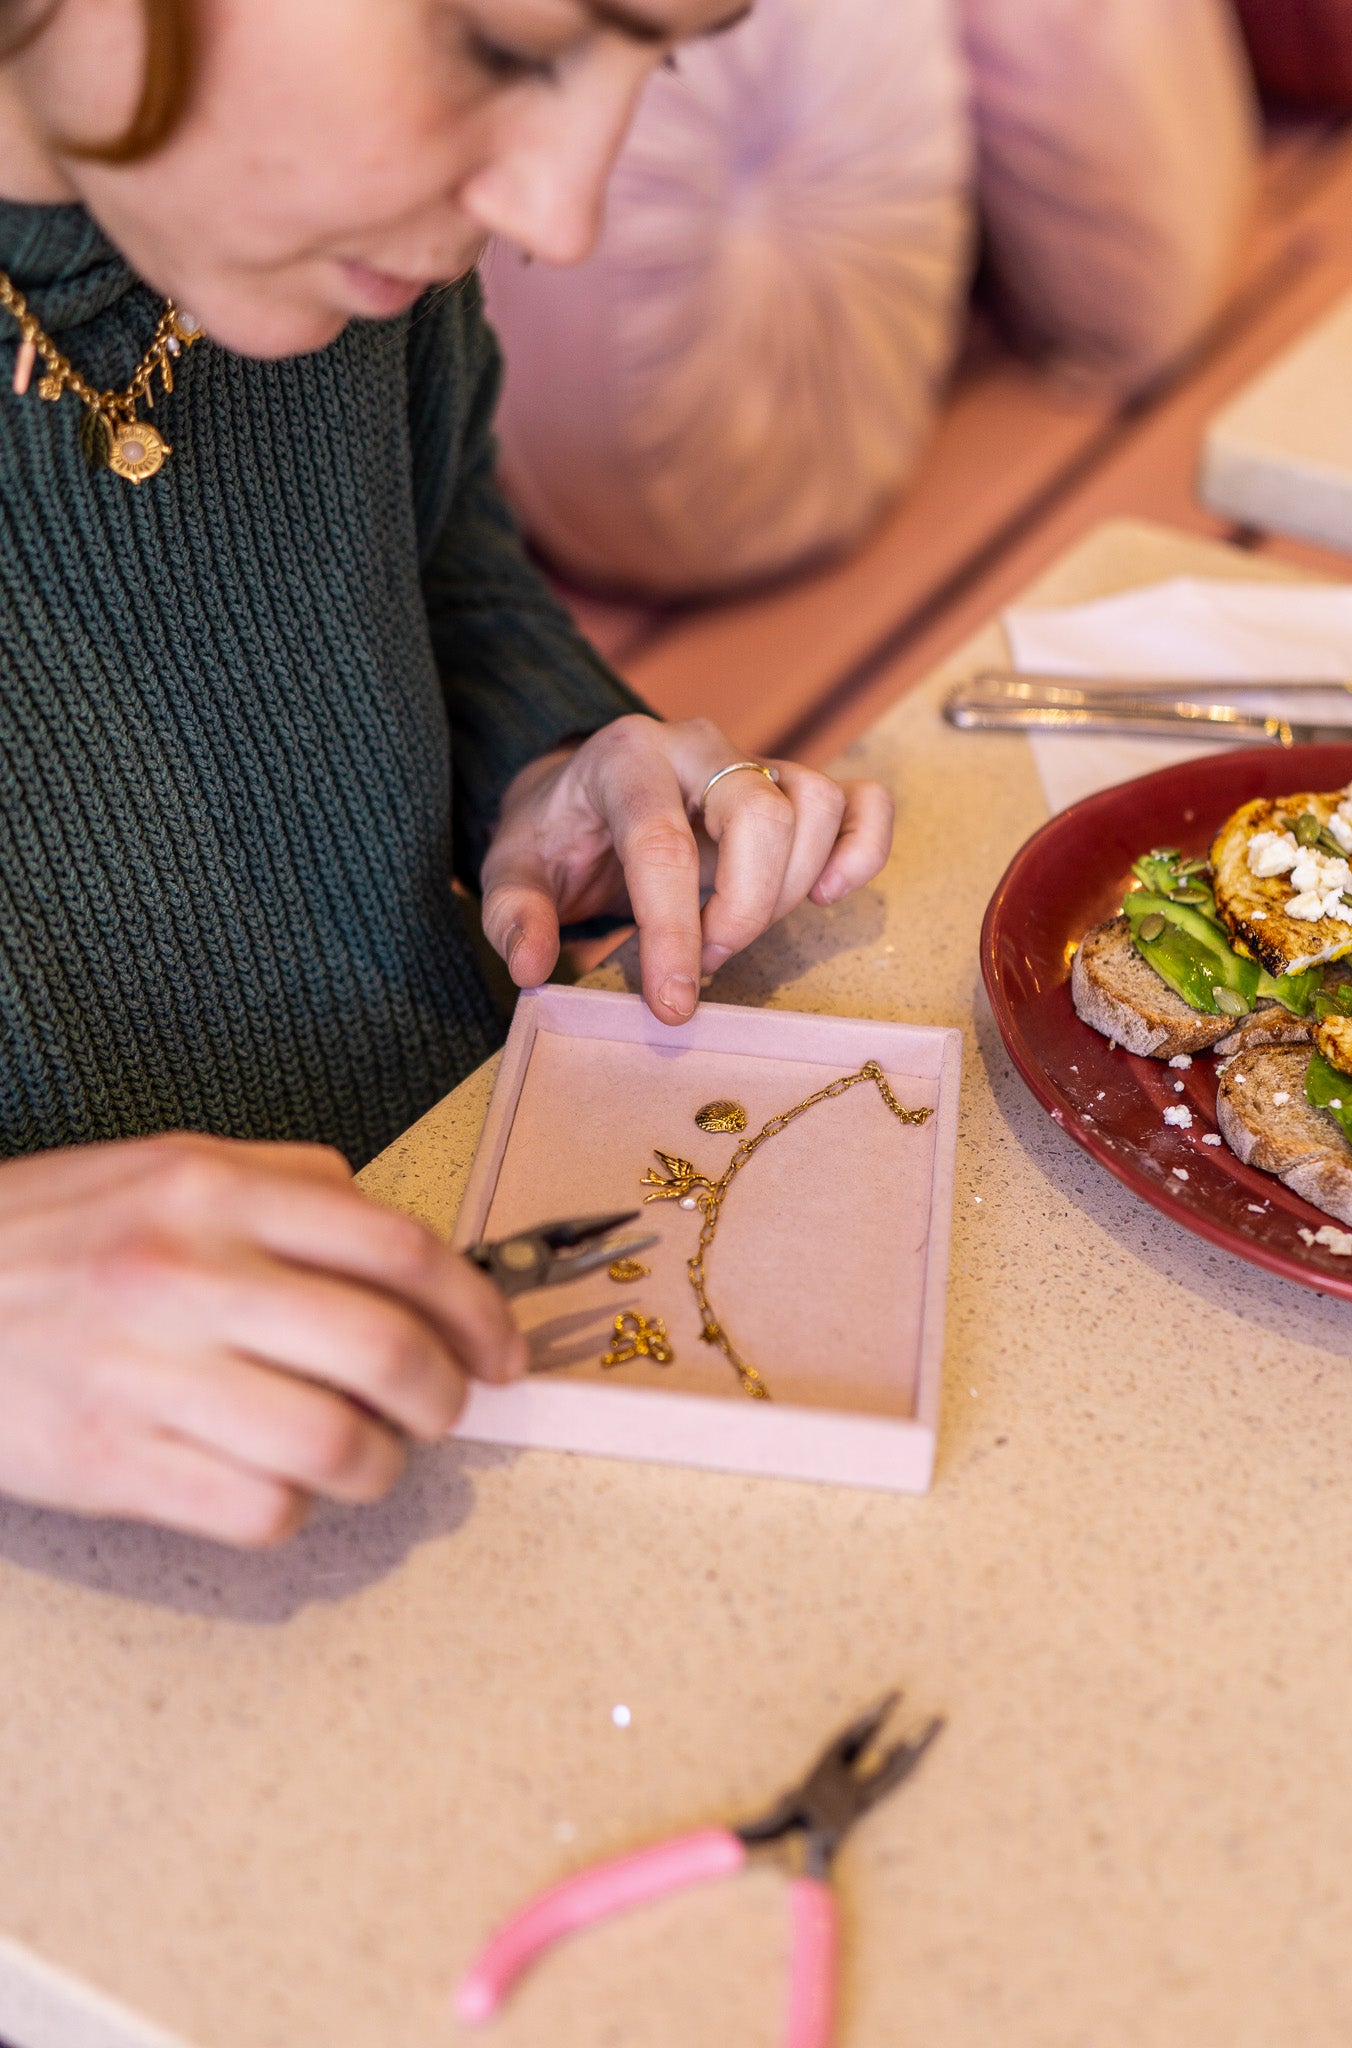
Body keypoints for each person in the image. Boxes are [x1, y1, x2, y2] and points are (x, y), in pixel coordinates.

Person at [0, 0, 894, 1546]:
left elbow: (437, 558)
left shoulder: (349, 245)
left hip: (484, 1316)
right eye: (501, 45)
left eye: (657, 61)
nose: (561, 214)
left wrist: (547, 762)